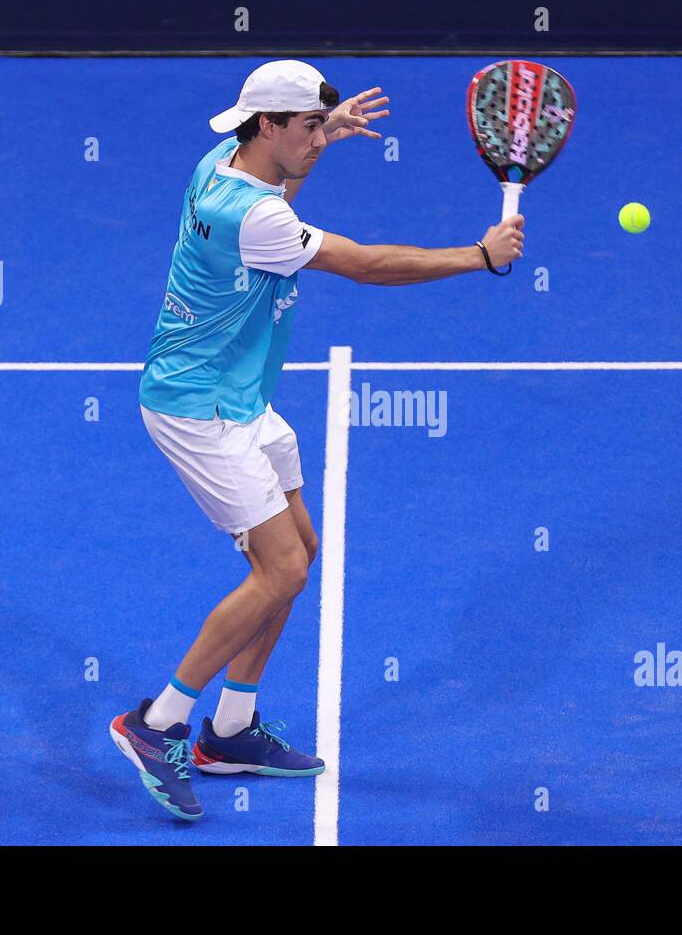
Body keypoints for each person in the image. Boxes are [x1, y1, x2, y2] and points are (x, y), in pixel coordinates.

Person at [110, 60, 524, 821]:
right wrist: (480, 255)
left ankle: (230, 729)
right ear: (267, 125)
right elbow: (364, 266)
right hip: (197, 409)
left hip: (239, 397)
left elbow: (279, 204)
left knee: (299, 553)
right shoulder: (255, 215)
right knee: (279, 570)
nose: (315, 139)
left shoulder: (221, 163)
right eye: (306, 126)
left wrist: (320, 141)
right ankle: (156, 721)